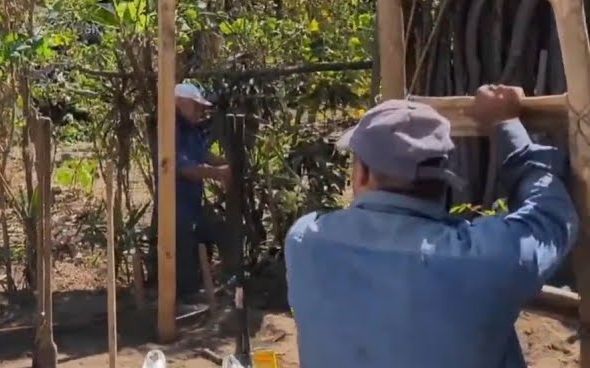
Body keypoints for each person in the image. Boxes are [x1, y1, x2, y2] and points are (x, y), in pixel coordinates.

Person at [285, 86, 578, 367]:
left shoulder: (305, 241)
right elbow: (551, 214)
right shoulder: (486, 259)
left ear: (361, 174)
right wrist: (506, 124)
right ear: (444, 179)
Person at [173, 82, 230, 299]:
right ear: (181, 103)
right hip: (177, 201)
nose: (201, 111)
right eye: (196, 106)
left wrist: (225, 164)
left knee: (206, 236)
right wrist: (217, 173)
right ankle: (185, 295)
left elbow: (202, 155)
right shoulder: (172, 129)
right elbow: (183, 167)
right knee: (184, 245)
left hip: (192, 200)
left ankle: (198, 286)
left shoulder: (191, 130)